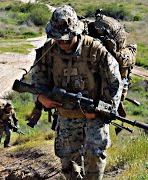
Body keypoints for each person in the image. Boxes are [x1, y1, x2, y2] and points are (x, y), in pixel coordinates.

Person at [31, 5, 123, 179]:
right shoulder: (48, 51)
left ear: (76, 32)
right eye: (58, 39)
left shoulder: (96, 51)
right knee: (66, 159)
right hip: (66, 114)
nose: (62, 43)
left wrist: (101, 110)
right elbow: (37, 80)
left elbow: (114, 84)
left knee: (94, 156)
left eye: (66, 39)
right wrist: (41, 97)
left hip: (94, 114)